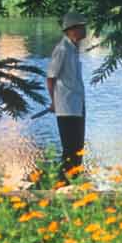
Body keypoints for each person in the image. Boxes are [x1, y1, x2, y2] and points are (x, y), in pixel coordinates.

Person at [46, 13, 88, 182]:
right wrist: (54, 102)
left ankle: (74, 183)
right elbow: (50, 78)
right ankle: (64, 185)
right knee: (70, 149)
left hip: (77, 105)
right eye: (81, 26)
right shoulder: (62, 49)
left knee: (78, 148)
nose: (85, 29)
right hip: (66, 106)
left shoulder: (73, 48)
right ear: (72, 30)